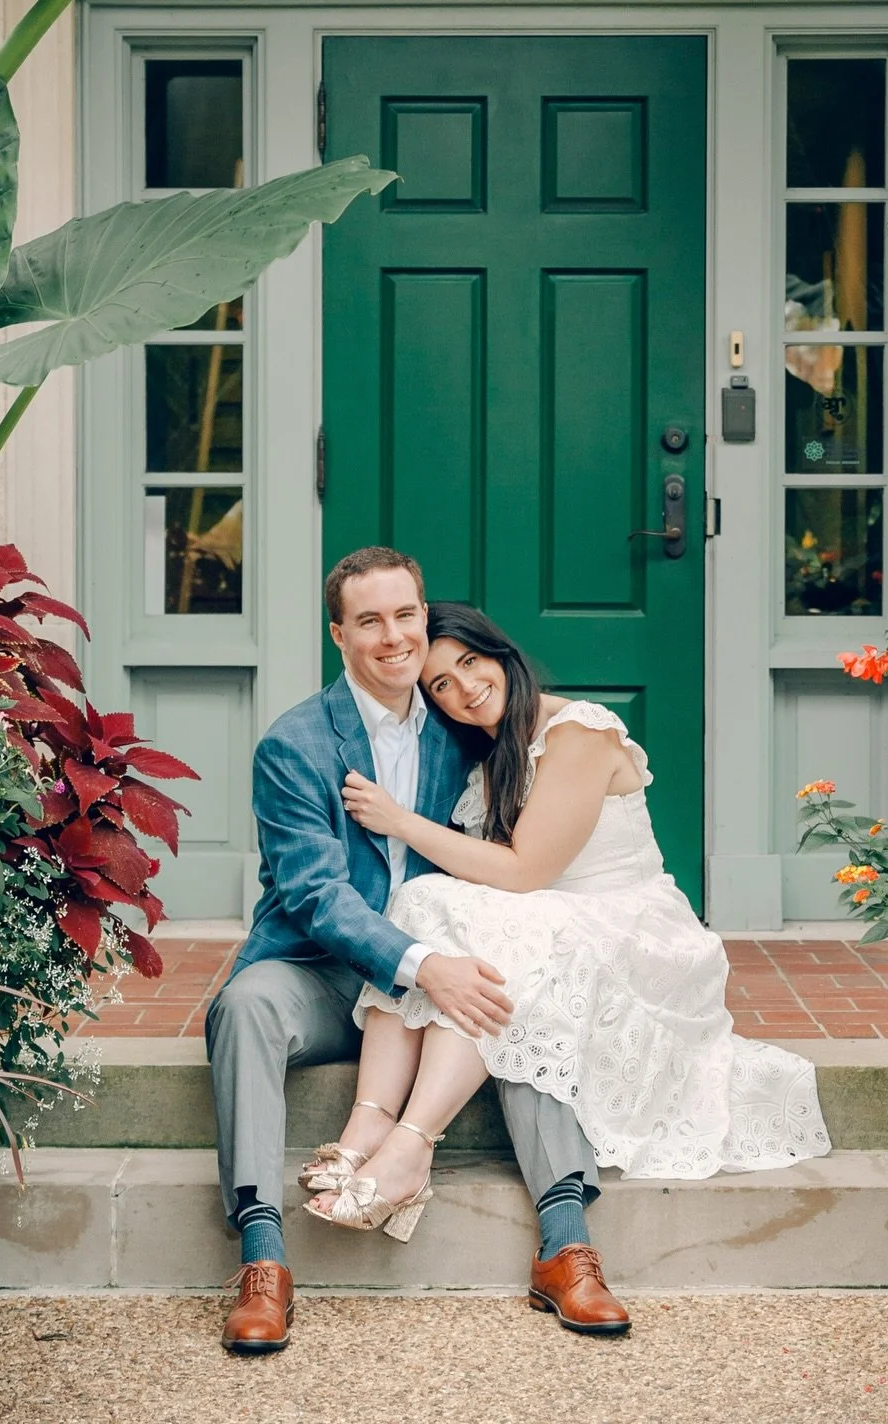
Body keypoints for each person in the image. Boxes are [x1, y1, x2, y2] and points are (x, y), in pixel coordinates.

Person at [304, 602, 830, 1283]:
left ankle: (410, 1144)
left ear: (501, 653)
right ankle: (368, 1126)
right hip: (554, 918)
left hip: (634, 928)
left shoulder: (579, 729)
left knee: (496, 925)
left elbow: (526, 873)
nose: (464, 688)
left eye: (469, 662)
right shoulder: (491, 754)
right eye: (440, 684)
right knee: (422, 901)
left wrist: (400, 821)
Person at [206, 550, 627, 1356]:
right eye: (369, 620)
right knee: (244, 1004)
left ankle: (567, 1245)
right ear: (340, 635)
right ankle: (262, 1259)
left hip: (443, 972)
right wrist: (421, 963)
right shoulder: (294, 745)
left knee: (516, 988)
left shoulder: (466, 725)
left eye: (406, 616)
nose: (394, 637)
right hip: (320, 970)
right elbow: (315, 897)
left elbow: (552, 764)